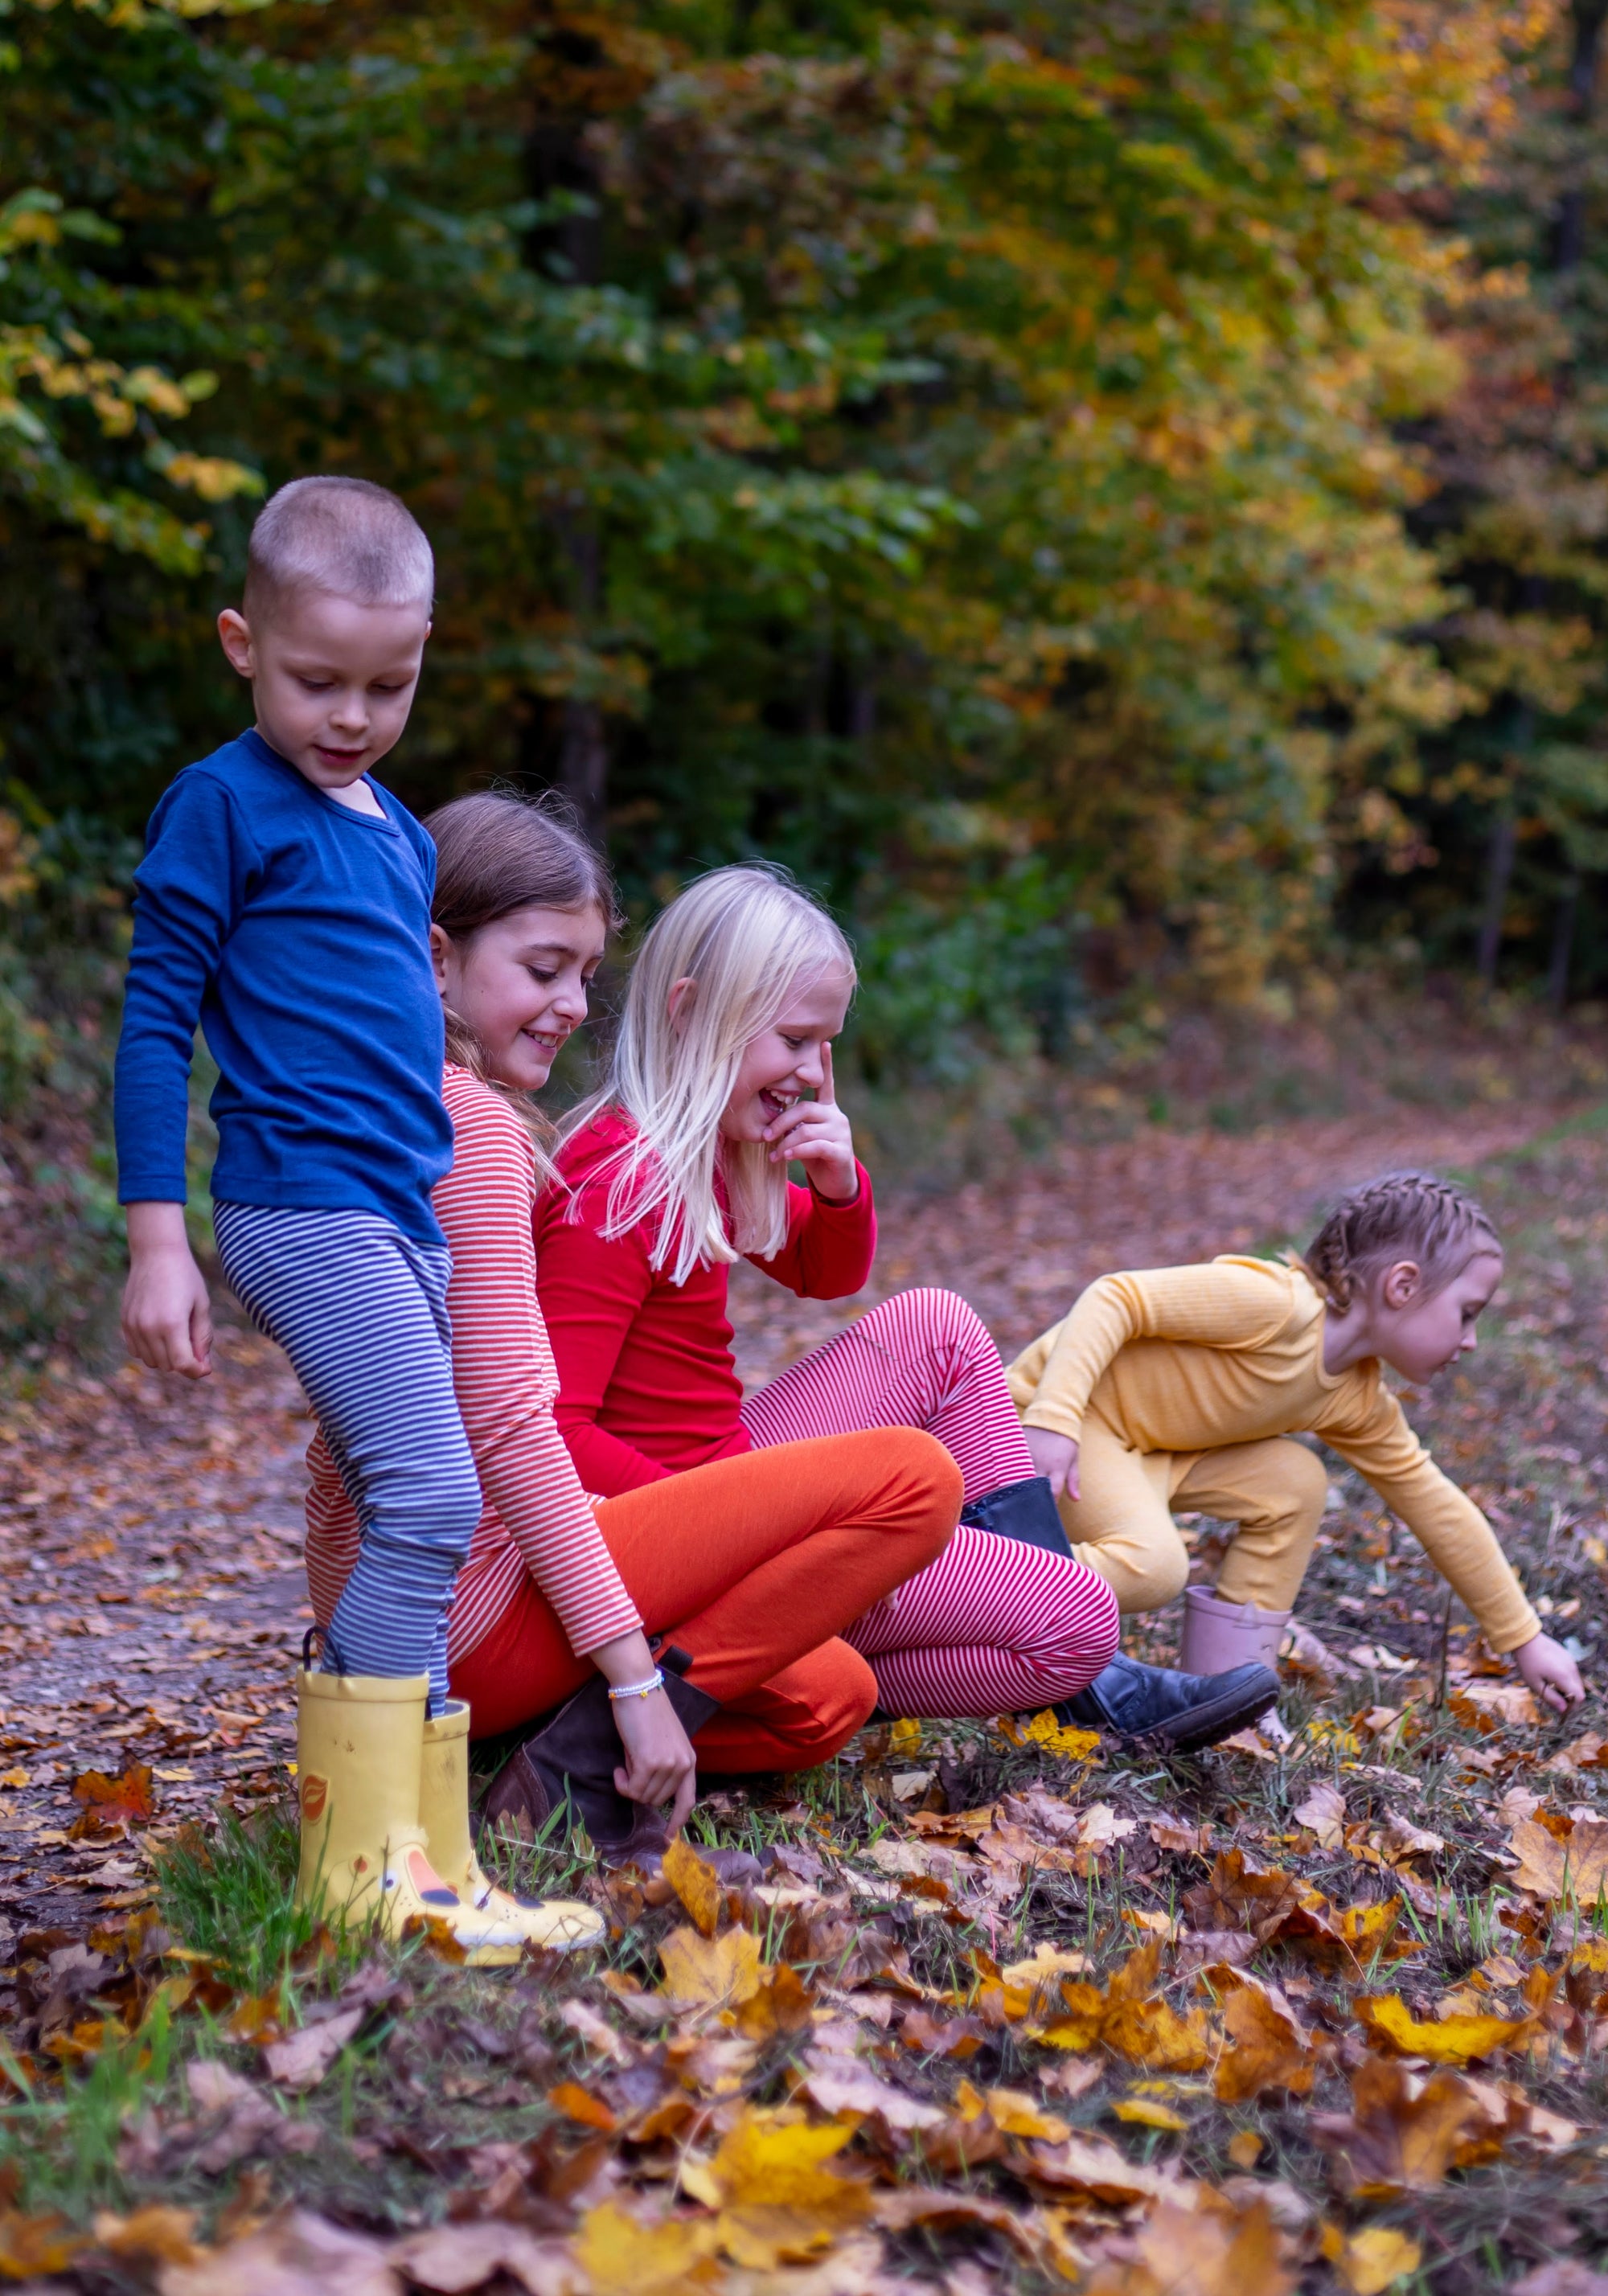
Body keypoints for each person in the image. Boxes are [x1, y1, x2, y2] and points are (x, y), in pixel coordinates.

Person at [302, 793, 964, 1873]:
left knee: (830, 1695)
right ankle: (578, 1757)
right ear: (436, 957)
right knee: (915, 1479)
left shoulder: (391, 1111)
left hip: (399, 1614)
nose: (573, 1005)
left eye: (583, 974)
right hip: (462, 1602)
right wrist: (635, 1680)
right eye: (543, 968)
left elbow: (378, 1410)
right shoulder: (485, 1137)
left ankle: (523, 1755)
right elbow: (519, 1431)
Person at [113, 477, 595, 1962]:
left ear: (424, 655)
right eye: (318, 679)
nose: (352, 716)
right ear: (241, 645)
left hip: (395, 1213)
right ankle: (358, 1865)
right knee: (435, 1497)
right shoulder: (221, 805)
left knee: (416, 1514)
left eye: (388, 686)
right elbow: (155, 1020)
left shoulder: (394, 833)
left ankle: (430, 1857)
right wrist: (157, 1236)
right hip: (299, 1204)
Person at [534, 864, 1279, 1751]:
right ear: (691, 1012)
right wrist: (745, 1530)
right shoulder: (617, 1187)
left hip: (719, 1472)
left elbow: (825, 1273)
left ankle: (1014, 1652)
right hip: (679, 1531)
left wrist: (837, 1183)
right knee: (1076, 1618)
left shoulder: (705, 1156)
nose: (810, 1072)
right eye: (795, 1039)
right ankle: (1034, 1665)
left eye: (825, 1045)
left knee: (937, 1327)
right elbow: (554, 1432)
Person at [1007, 1171, 1585, 1713]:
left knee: (1296, 1480)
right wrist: (1053, 1417)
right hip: (1063, 1428)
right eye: (1467, 1313)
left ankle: (1224, 1691)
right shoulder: (1274, 1306)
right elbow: (1116, 1298)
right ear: (1403, 1285)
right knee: (1154, 1565)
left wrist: (1524, 1638)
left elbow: (1438, 1508)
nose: (1472, 1340)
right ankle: (973, 1576)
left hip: (1150, 1451)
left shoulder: (1357, 1400)